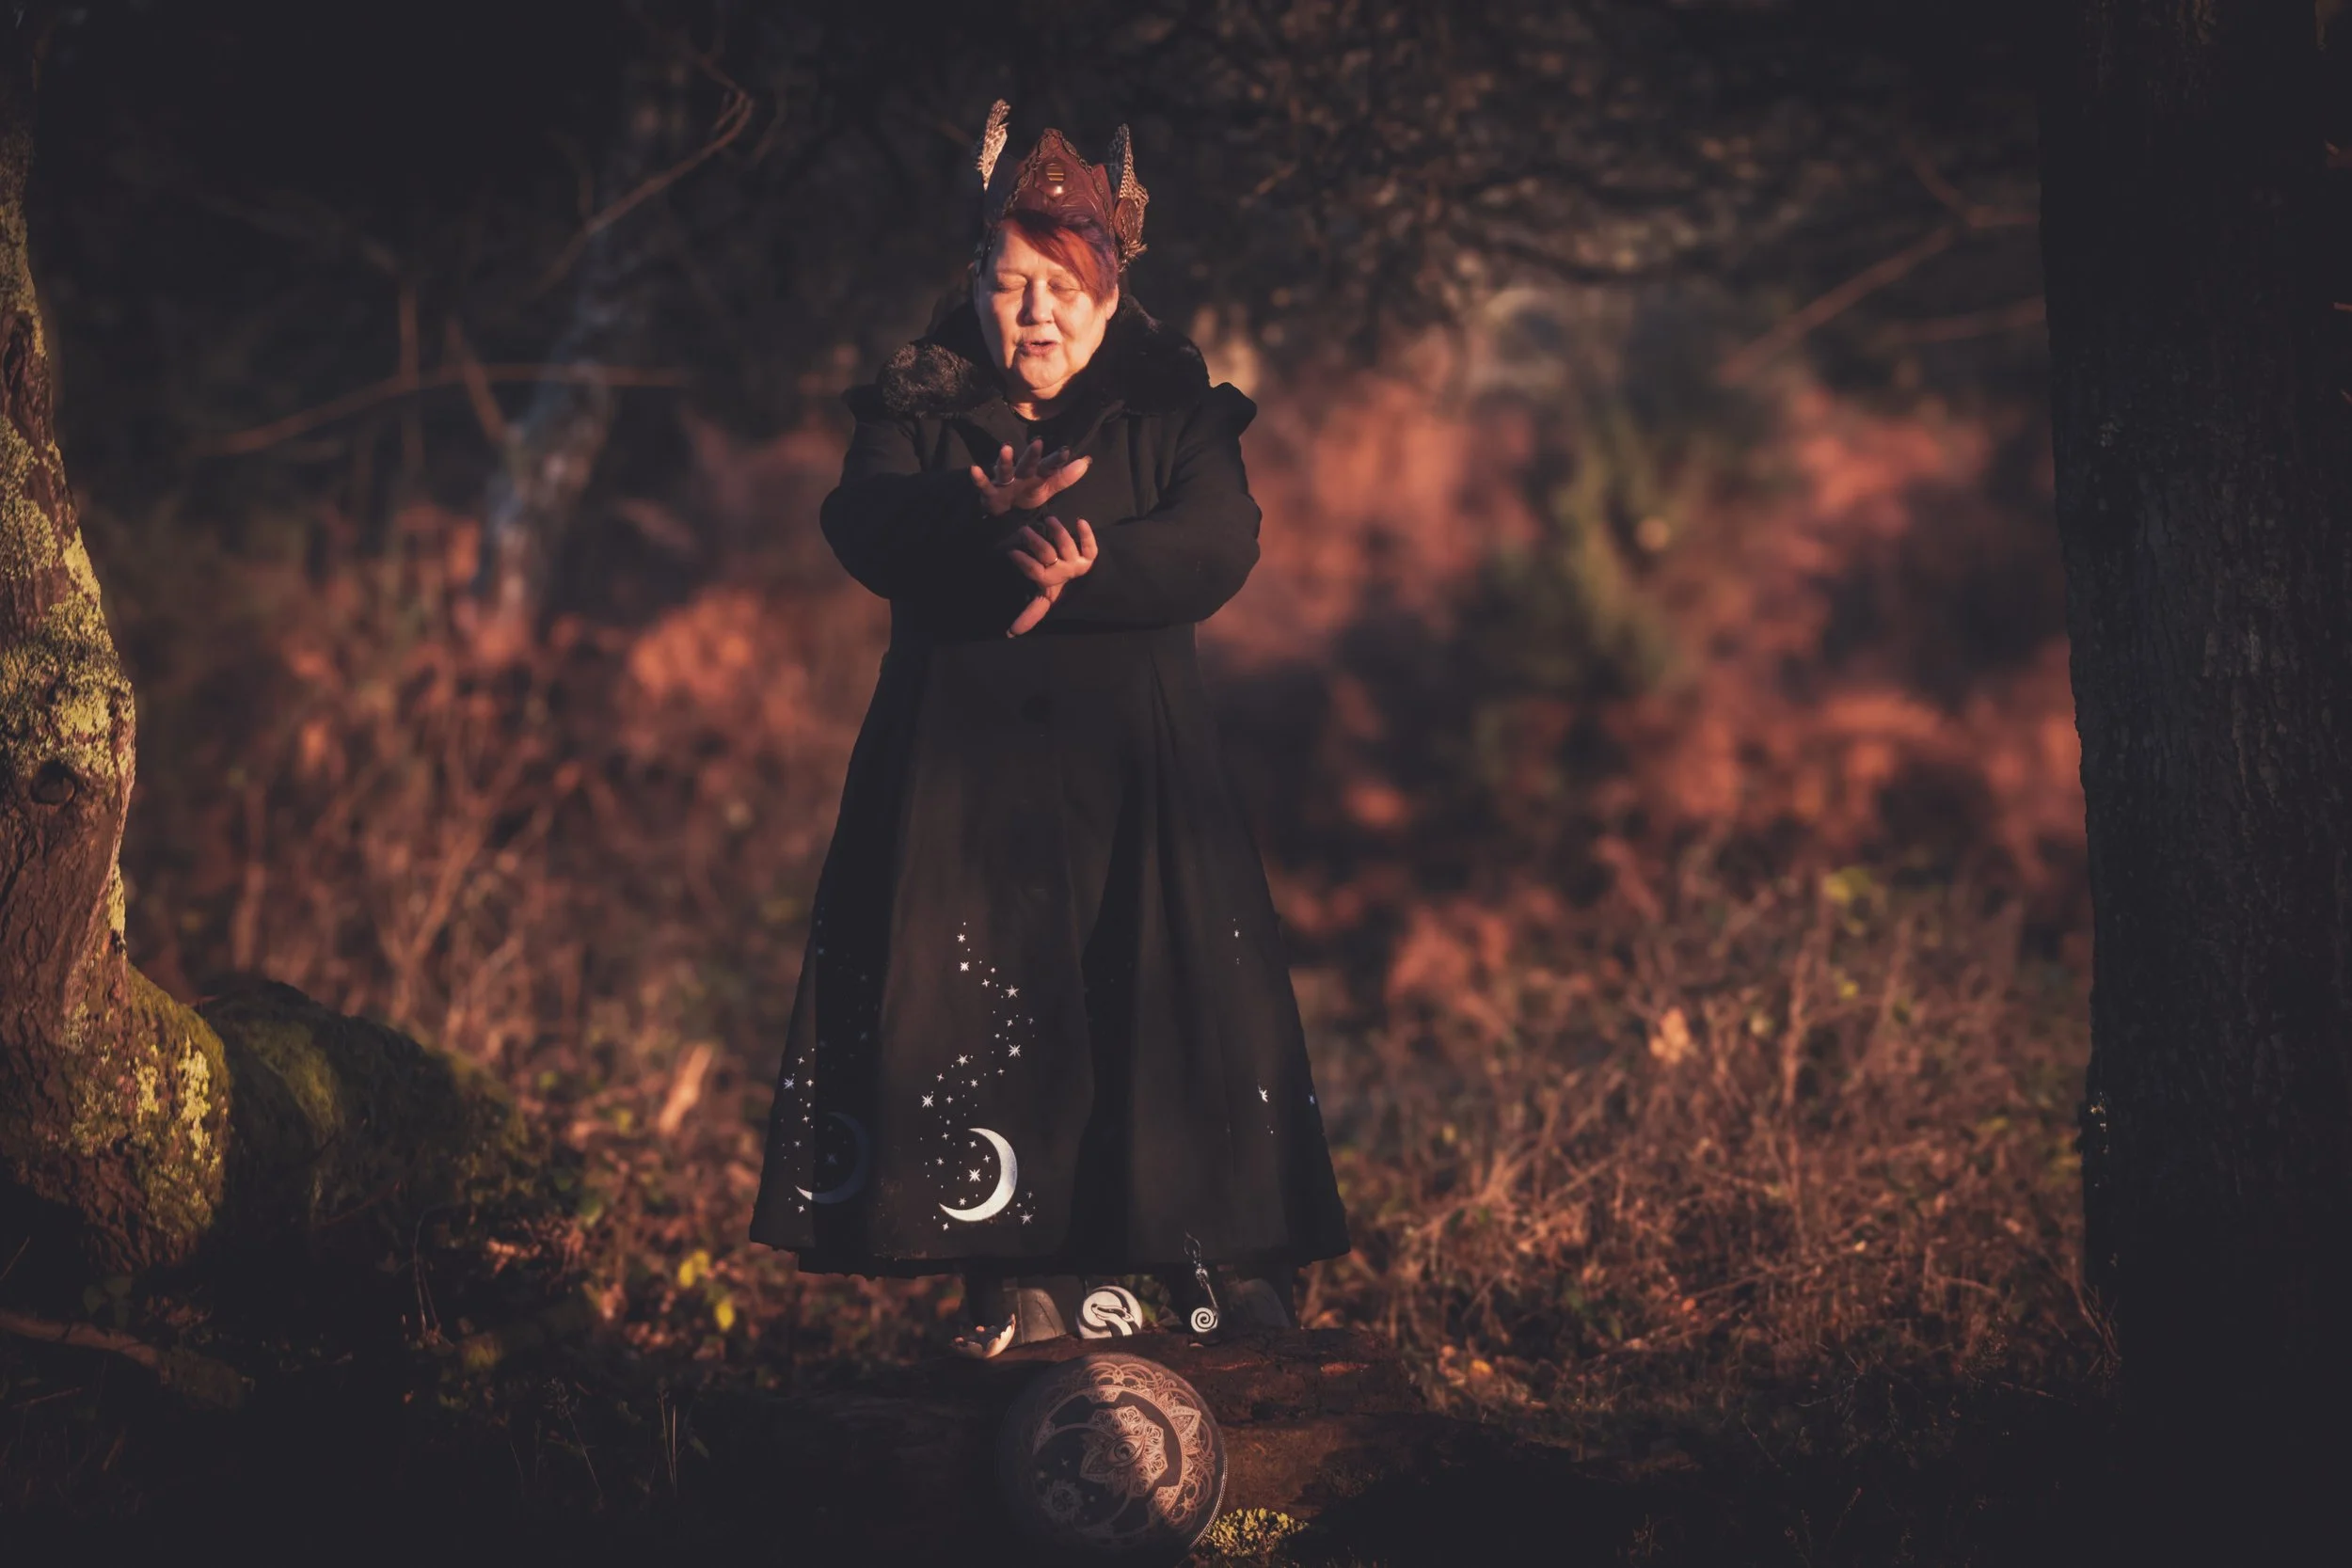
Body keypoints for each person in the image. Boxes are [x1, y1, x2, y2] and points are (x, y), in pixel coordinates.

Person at [750, 103, 1349, 1357]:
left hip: (1142, 781)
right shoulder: (915, 406)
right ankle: (1013, 1280)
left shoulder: (1173, 406)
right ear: (974, 282)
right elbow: (863, 525)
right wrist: (980, 518)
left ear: (1109, 291)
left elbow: (1219, 541)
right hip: (958, 786)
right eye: (1012, 285)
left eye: (1063, 290)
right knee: (984, 1018)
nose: (1036, 316)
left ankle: (1225, 1279)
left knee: (1171, 1005)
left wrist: (1087, 565)